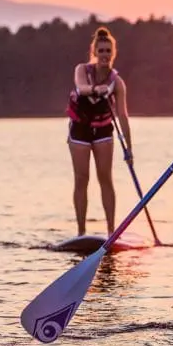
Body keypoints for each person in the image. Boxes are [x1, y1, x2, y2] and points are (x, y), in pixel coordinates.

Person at [66, 26, 133, 237]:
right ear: (94, 52)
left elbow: (122, 115)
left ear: (113, 53)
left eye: (107, 51)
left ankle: (112, 231)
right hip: (80, 131)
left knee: (105, 178)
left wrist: (129, 149)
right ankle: (81, 231)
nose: (104, 55)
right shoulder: (82, 70)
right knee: (82, 179)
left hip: (103, 130)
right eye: (100, 50)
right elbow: (80, 88)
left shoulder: (117, 82)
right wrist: (97, 90)